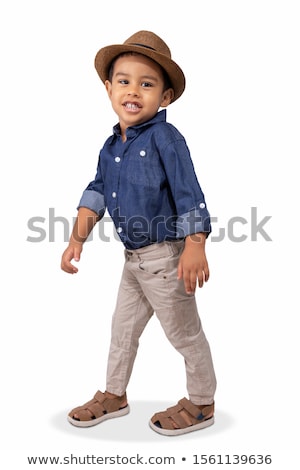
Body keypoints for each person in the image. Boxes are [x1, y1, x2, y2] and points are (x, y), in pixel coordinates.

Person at [61, 30, 216, 436]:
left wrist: (194, 244)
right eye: (124, 81)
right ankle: (115, 393)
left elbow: (188, 192)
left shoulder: (166, 138)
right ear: (109, 88)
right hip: (132, 261)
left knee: (184, 334)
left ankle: (202, 402)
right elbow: (96, 190)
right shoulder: (110, 146)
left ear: (164, 97)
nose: (134, 91)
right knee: (122, 330)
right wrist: (77, 238)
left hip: (166, 258)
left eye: (147, 84)